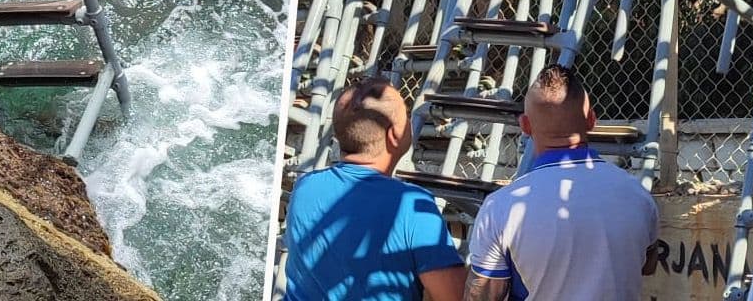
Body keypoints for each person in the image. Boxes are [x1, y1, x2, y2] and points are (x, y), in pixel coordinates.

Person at [463, 64, 662, 301]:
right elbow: (648, 265)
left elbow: (483, 295)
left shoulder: (500, 207)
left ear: (525, 126)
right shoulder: (637, 194)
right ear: (591, 120)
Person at [284, 76, 466, 301]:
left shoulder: (304, 188)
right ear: (394, 135)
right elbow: (456, 297)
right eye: (406, 116)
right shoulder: (411, 205)